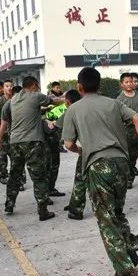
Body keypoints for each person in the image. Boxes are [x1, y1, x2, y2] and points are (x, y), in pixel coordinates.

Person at [62, 67, 138, 276]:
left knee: (106, 219)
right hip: (121, 163)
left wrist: (83, 151)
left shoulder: (74, 109)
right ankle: (128, 249)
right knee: (117, 212)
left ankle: (126, 272)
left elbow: (68, 144)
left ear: (79, 87)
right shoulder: (114, 103)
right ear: (100, 85)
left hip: (98, 166)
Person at [0, 76, 62, 220]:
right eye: (37, 86)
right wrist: (68, 100)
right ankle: (43, 211)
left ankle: (9, 204)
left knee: (15, 174)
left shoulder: (11, 101)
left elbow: (4, 123)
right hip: (32, 142)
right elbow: (54, 101)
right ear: (33, 86)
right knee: (39, 176)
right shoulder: (35, 96)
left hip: (15, 142)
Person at [58, 90, 87, 220]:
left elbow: (68, 143)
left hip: (88, 150)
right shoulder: (107, 104)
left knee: (80, 179)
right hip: (111, 149)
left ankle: (76, 210)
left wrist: (79, 150)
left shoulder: (71, 111)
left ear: (67, 102)